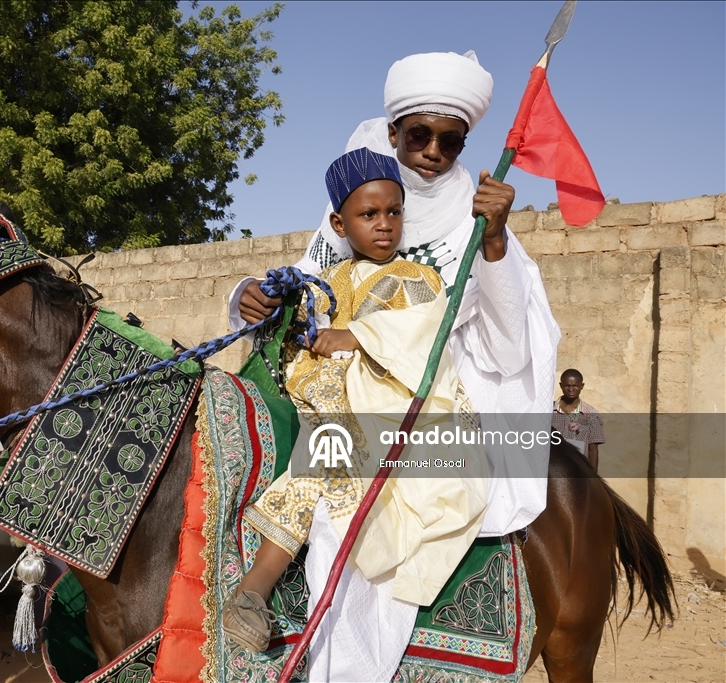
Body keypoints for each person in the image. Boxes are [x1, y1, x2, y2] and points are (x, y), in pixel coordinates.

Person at [227, 51, 561, 680]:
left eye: (450, 140)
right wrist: (252, 295)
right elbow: (307, 283)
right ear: (394, 133)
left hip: (432, 384)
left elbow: (506, 337)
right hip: (326, 380)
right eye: (419, 135)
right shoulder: (366, 186)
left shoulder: (479, 215)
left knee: (351, 510)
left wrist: (493, 241)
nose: (433, 150)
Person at [222, 149, 488, 657]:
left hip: (391, 404)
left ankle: (255, 590)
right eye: (369, 215)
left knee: (326, 457)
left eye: (394, 212)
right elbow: (299, 326)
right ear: (339, 223)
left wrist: (358, 336)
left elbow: (425, 334)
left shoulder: (419, 277)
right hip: (320, 396)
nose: (385, 225)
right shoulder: (329, 279)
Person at [552, 368, 605, 471]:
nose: (571, 389)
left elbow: (593, 450)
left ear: (582, 386)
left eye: (575, 386)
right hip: (554, 469)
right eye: (567, 385)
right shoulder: (548, 411)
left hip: (579, 470)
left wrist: (593, 479)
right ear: (561, 386)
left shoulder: (591, 414)